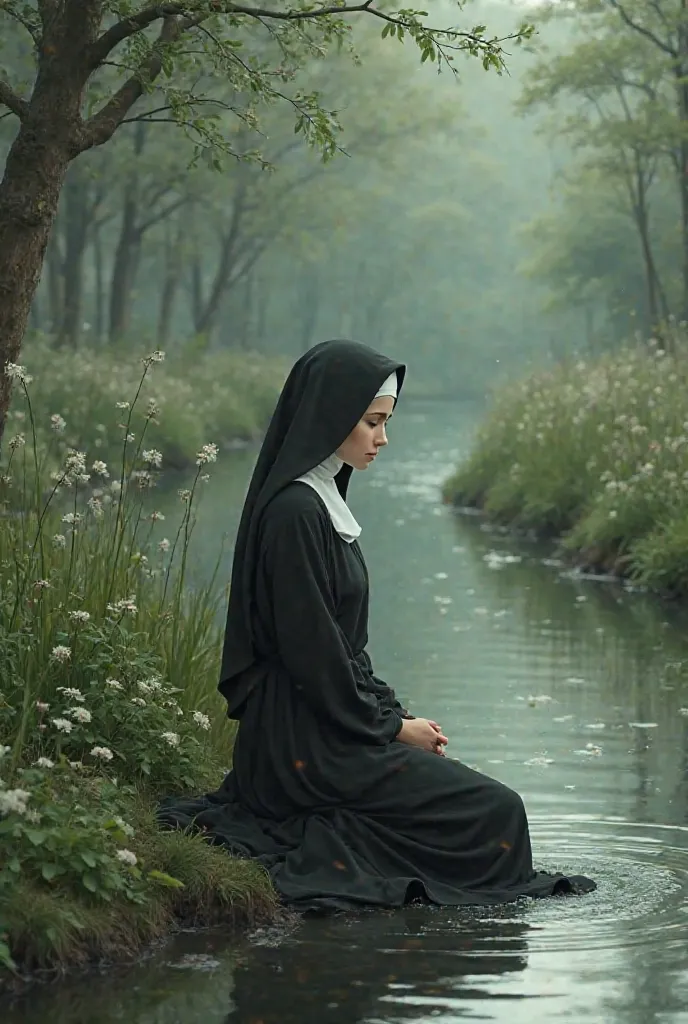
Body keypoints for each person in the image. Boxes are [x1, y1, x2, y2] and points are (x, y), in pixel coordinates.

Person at [159, 340, 595, 908]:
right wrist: (389, 731)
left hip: (327, 724)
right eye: (372, 423)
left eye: (385, 422)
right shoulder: (293, 515)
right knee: (497, 810)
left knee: (485, 808)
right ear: (331, 415)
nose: (382, 439)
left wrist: (397, 715)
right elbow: (312, 657)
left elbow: (343, 649)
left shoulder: (321, 503)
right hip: (300, 743)